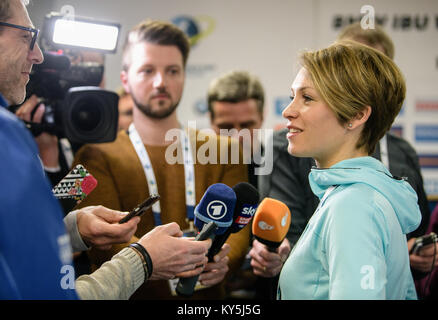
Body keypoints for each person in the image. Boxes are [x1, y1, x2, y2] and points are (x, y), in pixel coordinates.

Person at [0, 0, 211, 300]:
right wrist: (144, 259)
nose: (38, 55)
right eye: (26, 36)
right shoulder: (18, 138)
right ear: (126, 79)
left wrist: (75, 228)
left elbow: (19, 244)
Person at [253, 22, 436, 297]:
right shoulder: (355, 196)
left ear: (355, 116)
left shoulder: (353, 206)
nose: (288, 111)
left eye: (307, 98)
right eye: (293, 97)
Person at [73, 20, 249, 300]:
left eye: (172, 71)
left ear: (184, 76)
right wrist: (159, 259)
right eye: (147, 70)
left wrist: (223, 259)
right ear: (125, 79)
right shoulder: (93, 155)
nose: (161, 82)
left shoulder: (226, 150)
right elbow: (99, 240)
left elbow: (241, 227)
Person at [208, 70, 264, 188]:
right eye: (226, 127)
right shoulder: (197, 173)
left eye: (246, 125)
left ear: (262, 117)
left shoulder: (283, 172)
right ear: (211, 120)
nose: (237, 137)